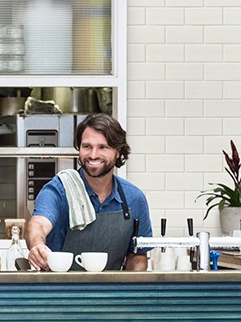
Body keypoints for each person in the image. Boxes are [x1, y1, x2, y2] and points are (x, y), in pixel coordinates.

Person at [26, 113, 152, 271]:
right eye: (87, 147)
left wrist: (131, 286)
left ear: (118, 152)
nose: (93, 155)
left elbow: (137, 256)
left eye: (103, 147)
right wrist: (37, 245)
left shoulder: (134, 199)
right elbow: (38, 224)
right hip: (58, 285)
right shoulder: (59, 190)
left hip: (112, 286)